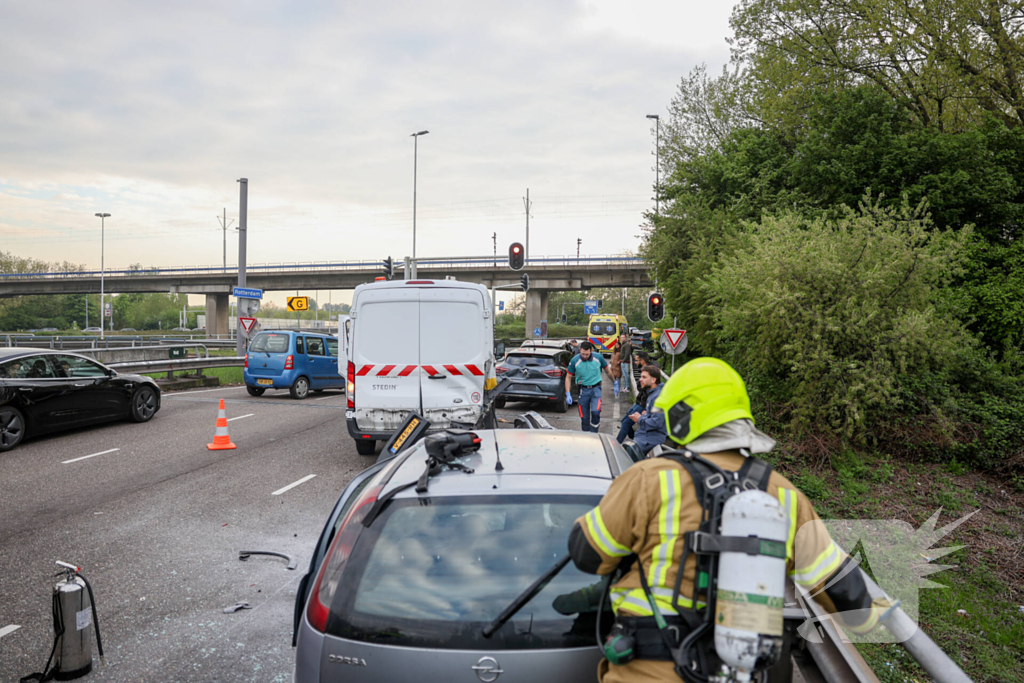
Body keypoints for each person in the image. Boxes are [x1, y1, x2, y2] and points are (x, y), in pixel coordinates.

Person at [566, 357, 885, 683]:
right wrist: (874, 616)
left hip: (649, 669)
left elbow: (587, 553)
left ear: (680, 418)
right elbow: (846, 594)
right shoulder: (783, 495)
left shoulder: (650, 479)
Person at [618, 365, 665, 454]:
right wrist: (645, 415)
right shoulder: (653, 394)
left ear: (653, 380)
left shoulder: (658, 397)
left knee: (624, 456)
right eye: (640, 376)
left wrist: (640, 419)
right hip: (644, 437)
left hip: (649, 439)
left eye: (644, 377)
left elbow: (657, 423)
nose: (640, 379)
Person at [565, 341, 609, 433]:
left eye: (587, 354)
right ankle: (586, 436)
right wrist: (568, 393)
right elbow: (568, 377)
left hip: (595, 389)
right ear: (580, 350)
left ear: (591, 351)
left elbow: (607, 370)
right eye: (583, 354)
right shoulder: (575, 360)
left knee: (595, 412)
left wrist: (614, 382)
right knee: (584, 418)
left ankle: (594, 433)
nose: (585, 356)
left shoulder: (598, 357)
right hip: (582, 390)